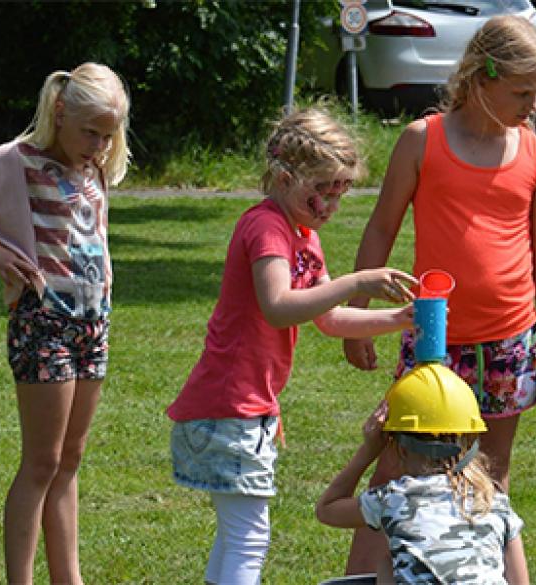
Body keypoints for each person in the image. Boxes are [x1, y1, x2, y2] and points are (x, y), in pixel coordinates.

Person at [341, 14, 536, 573]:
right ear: (481, 77)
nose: (531, 104)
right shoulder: (424, 140)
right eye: (521, 92)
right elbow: (380, 227)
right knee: (395, 471)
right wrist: (356, 317)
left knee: (488, 477)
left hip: (511, 342)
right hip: (433, 346)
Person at [166, 107, 420, 585]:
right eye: (320, 193)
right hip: (228, 405)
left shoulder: (304, 236)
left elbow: (326, 318)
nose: (328, 208)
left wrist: (399, 320)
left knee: (237, 532)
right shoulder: (266, 228)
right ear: (284, 178)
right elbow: (279, 305)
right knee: (248, 534)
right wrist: (358, 280)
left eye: (339, 195)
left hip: (246, 406)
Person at [0, 62, 131, 585]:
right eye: (90, 132)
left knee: (70, 459)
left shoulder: (94, 171)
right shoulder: (15, 162)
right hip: (42, 322)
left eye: (108, 136)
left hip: (93, 324)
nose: (98, 145)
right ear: (59, 111)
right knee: (41, 462)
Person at [316, 363, 529, 584]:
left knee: (386, 565)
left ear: (399, 447)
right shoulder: (494, 502)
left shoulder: (396, 499)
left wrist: (368, 450)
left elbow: (326, 509)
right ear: (470, 438)